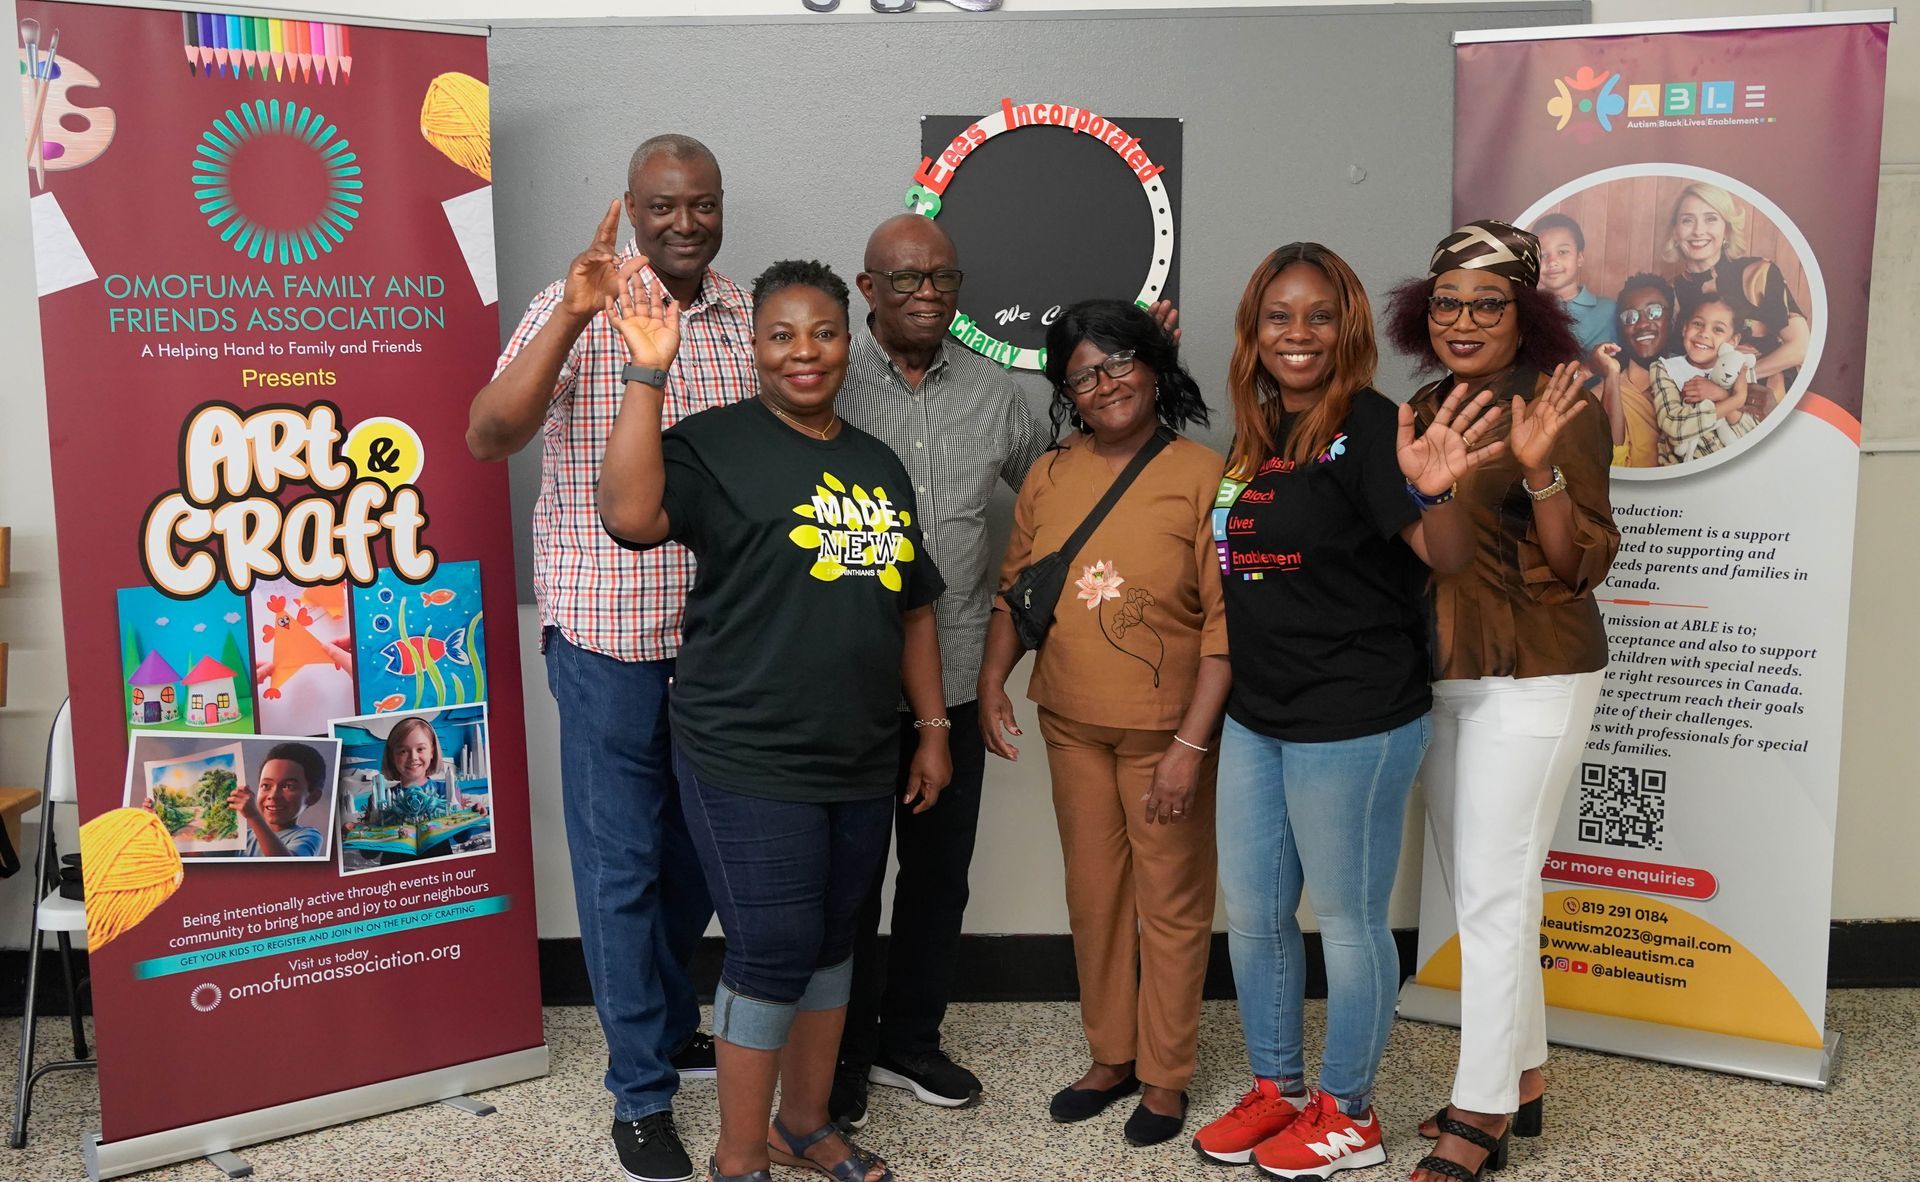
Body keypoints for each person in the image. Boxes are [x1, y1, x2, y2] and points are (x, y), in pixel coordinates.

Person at [598, 258, 950, 1182]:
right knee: (773, 946)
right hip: (744, 749)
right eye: (782, 335)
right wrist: (647, 371)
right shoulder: (715, 442)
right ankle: (737, 1154)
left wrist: (934, 730)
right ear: (754, 347)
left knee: (838, 941)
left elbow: (912, 607)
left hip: (862, 752)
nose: (805, 352)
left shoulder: (876, 463)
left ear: (848, 341)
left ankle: (804, 1124)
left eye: (823, 333)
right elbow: (630, 516)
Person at [466, 133, 749, 1182]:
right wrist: (578, 315)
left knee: (700, 864)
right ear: (630, 205)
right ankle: (641, 1094)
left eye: (703, 205)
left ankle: (668, 1023)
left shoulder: (742, 318)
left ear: (721, 208)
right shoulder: (575, 301)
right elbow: (488, 436)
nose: (685, 223)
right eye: (664, 206)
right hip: (604, 638)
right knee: (621, 866)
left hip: (721, 640)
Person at [1191, 244, 1507, 1178]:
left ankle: (1349, 1114)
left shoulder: (1373, 428)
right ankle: (1279, 1090)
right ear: (1254, 331)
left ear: (1349, 329)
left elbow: (1443, 557)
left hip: (1356, 718)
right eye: (1280, 316)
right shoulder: (1257, 433)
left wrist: (1439, 487)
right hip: (1260, 712)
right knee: (1252, 915)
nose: (1299, 334)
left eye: (1319, 316)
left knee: (1350, 919)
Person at [1384, 220, 1618, 1182]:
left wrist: (1541, 469)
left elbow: (1578, 564)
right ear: (1423, 312)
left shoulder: (1561, 404)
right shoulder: (1430, 404)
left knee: (1488, 891)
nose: (1466, 320)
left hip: (1535, 669)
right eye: (1448, 303)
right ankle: (1522, 1074)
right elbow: (1422, 545)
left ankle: (1476, 1113)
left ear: (1526, 312)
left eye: (1490, 303)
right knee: (1487, 887)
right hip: (1445, 671)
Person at [976, 299, 1225, 1150]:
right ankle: (1110, 1055)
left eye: (1120, 362)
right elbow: (1019, 585)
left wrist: (1192, 746)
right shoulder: (1049, 474)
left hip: (1167, 734)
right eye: (1084, 372)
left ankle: (1165, 1072)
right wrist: (990, 678)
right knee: (1094, 895)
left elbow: (1227, 628)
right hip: (1071, 721)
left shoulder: (1203, 475)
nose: (1105, 383)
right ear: (1066, 391)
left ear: (1156, 366)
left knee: (1172, 902)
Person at [828, 214, 1047, 1123]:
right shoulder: (824, 378)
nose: (927, 293)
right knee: (843, 881)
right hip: (843, 681)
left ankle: (911, 1041)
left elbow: (1053, 497)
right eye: (906, 278)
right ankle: (834, 1054)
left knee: (936, 873)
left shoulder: (997, 393)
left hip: (953, 679)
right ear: (866, 286)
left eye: (943, 278)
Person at [1664, 181, 1809, 395]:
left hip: (1769, 397)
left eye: (1711, 219)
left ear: (1727, 230)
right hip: (1703, 407)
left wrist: (1735, 381)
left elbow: (1800, 347)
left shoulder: (1757, 274)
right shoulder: (1671, 291)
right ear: (1675, 232)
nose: (1698, 231)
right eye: (1687, 220)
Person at [1650, 294, 1760, 466]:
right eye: (1698, 324)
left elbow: (1754, 435)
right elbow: (1674, 426)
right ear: (1685, 328)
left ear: (1733, 340)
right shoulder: (1665, 369)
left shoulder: (1742, 369)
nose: (1704, 334)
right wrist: (1736, 400)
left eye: (1718, 329)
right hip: (1681, 474)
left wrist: (1722, 396)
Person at [1591, 273, 1673, 468]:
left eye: (1654, 312)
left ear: (1672, 319)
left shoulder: (1693, 381)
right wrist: (1611, 376)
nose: (1643, 323)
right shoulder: (1603, 393)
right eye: (1630, 316)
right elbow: (1608, 466)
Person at [1531, 213, 1616, 364]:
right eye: (1543, 255)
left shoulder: (1609, 311)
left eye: (1562, 252)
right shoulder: (1527, 310)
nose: (1552, 262)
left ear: (1580, 258)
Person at [230, 742, 328, 858]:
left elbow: (288, 868)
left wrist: (254, 816)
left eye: (288, 786)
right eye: (266, 786)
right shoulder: (240, 838)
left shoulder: (308, 836)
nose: (274, 795)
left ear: (313, 797)